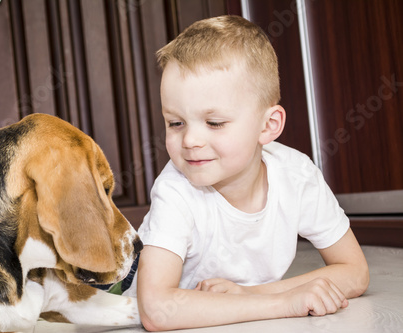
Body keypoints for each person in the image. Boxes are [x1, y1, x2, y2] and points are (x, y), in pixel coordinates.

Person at [122, 15, 369, 331]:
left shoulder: (296, 175)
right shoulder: (176, 190)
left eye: (214, 123)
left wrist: (250, 294)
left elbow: (355, 271)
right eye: (175, 122)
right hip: (124, 300)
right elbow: (156, 310)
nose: (190, 141)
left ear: (268, 126)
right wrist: (284, 303)